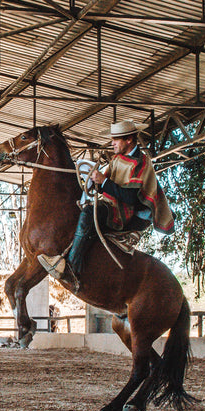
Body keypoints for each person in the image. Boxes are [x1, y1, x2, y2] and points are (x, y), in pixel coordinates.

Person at [37, 120, 173, 290]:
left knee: (88, 213)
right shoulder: (117, 160)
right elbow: (106, 187)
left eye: (116, 140)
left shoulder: (141, 163)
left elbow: (130, 198)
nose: (112, 143)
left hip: (128, 213)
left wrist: (104, 181)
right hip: (116, 205)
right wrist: (96, 182)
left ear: (129, 140)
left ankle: (72, 267)